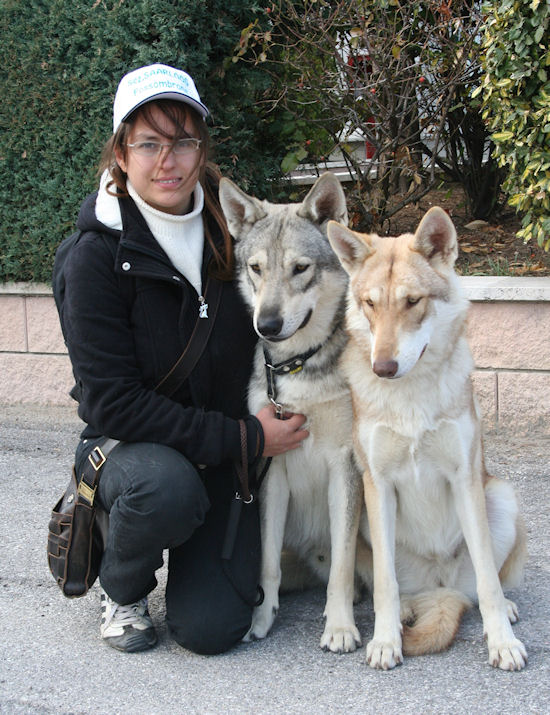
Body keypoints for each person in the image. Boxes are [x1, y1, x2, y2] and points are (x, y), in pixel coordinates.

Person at [59, 63, 308, 655]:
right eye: (148, 143)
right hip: (138, 455)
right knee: (163, 487)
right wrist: (246, 438)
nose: (167, 161)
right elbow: (113, 403)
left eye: (183, 142)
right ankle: (123, 586)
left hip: (225, 454)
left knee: (211, 631)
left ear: (201, 149)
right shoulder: (92, 257)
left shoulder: (236, 230)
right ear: (121, 154)